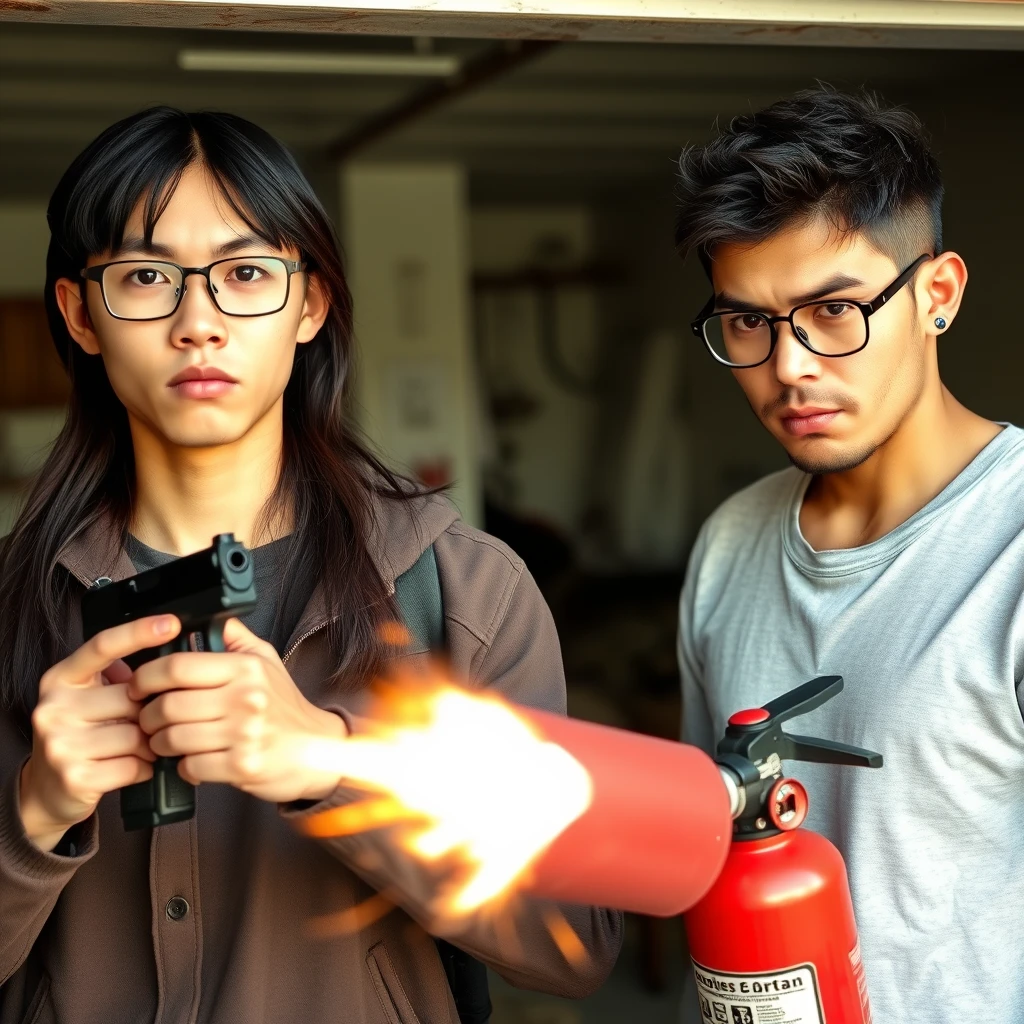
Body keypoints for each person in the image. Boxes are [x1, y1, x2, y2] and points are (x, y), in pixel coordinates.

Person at [0, 107, 621, 1023]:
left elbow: (573, 941)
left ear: (311, 304)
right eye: (144, 277)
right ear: (81, 315)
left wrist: (333, 763)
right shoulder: (15, 603)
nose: (198, 323)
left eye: (247, 273)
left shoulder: (466, 591)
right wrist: (35, 816)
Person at [674, 89, 1023, 1024]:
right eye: (747, 322)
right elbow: (710, 848)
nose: (789, 366)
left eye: (832, 309)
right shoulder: (730, 542)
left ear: (937, 296)